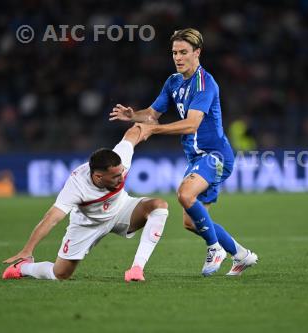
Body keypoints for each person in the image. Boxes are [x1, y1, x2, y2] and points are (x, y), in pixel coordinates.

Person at [110, 28, 258, 276]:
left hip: (216, 156)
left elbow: (191, 124)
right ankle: (242, 255)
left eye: (183, 52)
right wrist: (133, 115)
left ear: (197, 52)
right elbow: (152, 114)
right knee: (191, 222)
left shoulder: (205, 84)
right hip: (197, 158)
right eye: (174, 53)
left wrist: (153, 130)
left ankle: (215, 249)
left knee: (185, 194)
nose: (178, 58)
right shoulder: (173, 82)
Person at [2, 125, 169, 282]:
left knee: (159, 205)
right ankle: (23, 268)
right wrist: (28, 249)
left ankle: (137, 268)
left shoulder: (120, 160)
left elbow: (132, 134)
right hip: (88, 225)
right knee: (60, 273)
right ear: (98, 177)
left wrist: (146, 123)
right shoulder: (76, 186)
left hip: (121, 210)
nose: (121, 177)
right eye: (115, 177)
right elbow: (51, 218)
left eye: (121, 173)